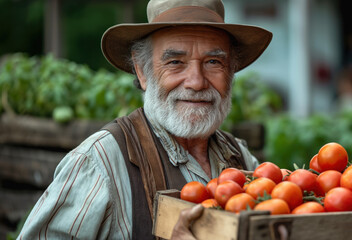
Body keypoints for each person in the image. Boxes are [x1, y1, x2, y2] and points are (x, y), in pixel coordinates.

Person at [17, 0, 272, 239]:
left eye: (214, 62)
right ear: (142, 71)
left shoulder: (240, 157)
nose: (196, 82)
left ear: (230, 74)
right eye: (175, 62)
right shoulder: (98, 163)